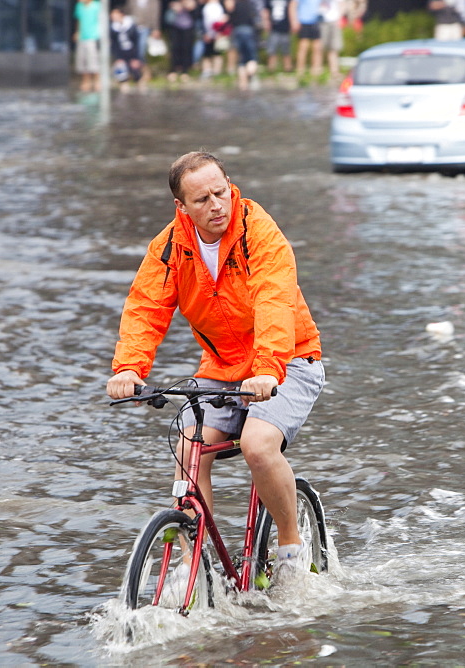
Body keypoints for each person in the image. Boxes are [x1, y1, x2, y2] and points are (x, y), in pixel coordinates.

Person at [107, 151, 325, 581]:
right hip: (222, 365)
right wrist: (129, 368)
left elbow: (274, 301)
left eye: (220, 193)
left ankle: (289, 546)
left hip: (289, 358)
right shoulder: (170, 246)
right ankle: (196, 567)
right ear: (182, 207)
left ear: (230, 185)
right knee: (188, 447)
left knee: (258, 445)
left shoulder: (259, 232)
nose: (216, 206)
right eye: (202, 199)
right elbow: (146, 307)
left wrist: (266, 368)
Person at [225, 0, 260, 89]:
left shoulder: (234, 4)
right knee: (252, 57)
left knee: (242, 60)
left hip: (236, 31)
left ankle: (242, 84)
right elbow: (255, 20)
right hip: (248, 31)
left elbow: (229, 18)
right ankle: (251, 76)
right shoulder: (251, 4)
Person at [110, 7, 145, 90]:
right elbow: (114, 44)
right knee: (121, 69)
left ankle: (139, 83)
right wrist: (117, 57)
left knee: (135, 69)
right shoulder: (113, 28)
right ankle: (123, 84)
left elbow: (136, 42)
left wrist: (136, 57)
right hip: (121, 52)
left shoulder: (131, 25)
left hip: (132, 51)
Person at [73, 0, 101, 92]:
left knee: (93, 60)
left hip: (93, 36)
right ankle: (86, 81)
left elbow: (101, 20)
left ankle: (97, 81)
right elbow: (79, 20)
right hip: (82, 37)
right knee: (82, 60)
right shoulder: (79, 6)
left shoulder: (97, 6)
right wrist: (77, 32)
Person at [263, 0, 296, 73]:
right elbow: (266, 10)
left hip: (285, 28)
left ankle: (288, 68)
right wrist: (266, 22)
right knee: (272, 50)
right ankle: (271, 69)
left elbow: (291, 9)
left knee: (286, 50)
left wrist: (293, 22)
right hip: (273, 28)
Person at [294, 0, 323, 77]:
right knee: (303, 47)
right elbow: (293, 5)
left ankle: (316, 70)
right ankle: (300, 70)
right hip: (304, 21)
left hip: (316, 21)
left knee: (317, 48)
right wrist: (294, 20)